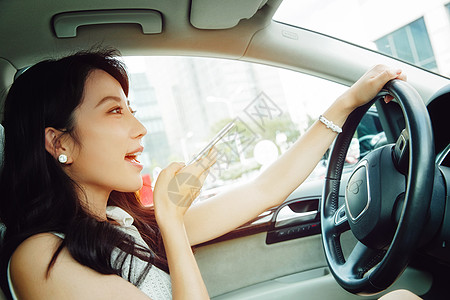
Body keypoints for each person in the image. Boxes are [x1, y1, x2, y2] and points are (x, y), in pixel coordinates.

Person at [0, 48, 412, 299]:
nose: (139, 129)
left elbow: (262, 190)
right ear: (60, 144)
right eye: (113, 110)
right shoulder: (39, 256)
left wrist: (345, 104)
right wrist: (172, 223)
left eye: (132, 110)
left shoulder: (121, 224)